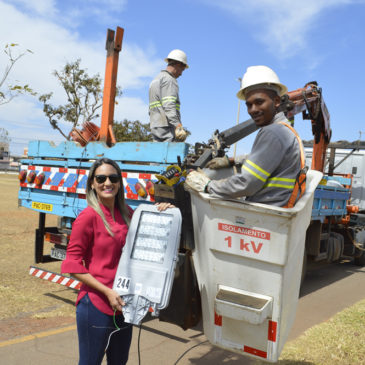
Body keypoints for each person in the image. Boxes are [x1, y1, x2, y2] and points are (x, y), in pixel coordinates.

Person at [61, 158, 173, 365]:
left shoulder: (128, 213)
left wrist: (162, 211)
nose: (107, 183)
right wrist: (107, 292)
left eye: (113, 178)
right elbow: (71, 265)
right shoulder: (88, 217)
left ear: (119, 183)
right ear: (92, 184)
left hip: (124, 305)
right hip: (96, 304)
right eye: (101, 178)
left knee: (119, 362)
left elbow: (148, 241)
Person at [185, 65, 306, 208]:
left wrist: (207, 185)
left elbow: (246, 184)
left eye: (259, 102)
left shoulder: (272, 133)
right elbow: (263, 157)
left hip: (263, 214)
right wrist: (230, 161)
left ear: (277, 101)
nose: (253, 110)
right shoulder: (286, 131)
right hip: (275, 209)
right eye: (249, 105)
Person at [149, 49, 188, 142]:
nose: (181, 74)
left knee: (159, 152)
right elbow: (169, 106)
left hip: (155, 125)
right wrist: (178, 126)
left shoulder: (157, 79)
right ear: (178, 65)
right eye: (182, 70)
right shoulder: (169, 80)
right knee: (169, 153)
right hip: (167, 125)